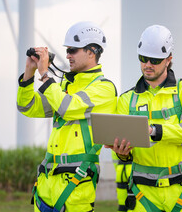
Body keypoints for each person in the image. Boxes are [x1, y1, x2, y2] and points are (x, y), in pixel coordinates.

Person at [17, 21, 117, 212]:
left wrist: (45, 74)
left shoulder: (104, 88)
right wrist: (29, 74)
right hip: (46, 189)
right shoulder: (63, 88)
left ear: (92, 51)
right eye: (67, 50)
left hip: (74, 190)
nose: (67, 55)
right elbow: (27, 107)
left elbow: (67, 107)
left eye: (73, 50)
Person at [106, 25, 182, 212]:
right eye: (143, 58)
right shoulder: (126, 100)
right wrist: (122, 152)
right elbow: (124, 154)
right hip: (143, 195)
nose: (147, 64)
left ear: (169, 60)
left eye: (155, 60)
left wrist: (153, 131)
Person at [111, 140, 182, 212]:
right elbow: (116, 159)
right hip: (130, 179)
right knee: (124, 207)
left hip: (168, 181)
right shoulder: (125, 139)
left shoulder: (181, 136)